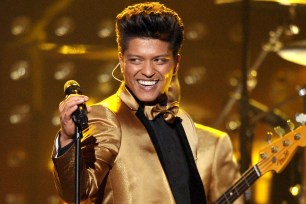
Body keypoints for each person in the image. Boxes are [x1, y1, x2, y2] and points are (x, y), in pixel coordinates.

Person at [52, 2, 243, 204]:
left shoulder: (182, 121)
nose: (148, 71)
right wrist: (67, 139)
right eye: (136, 60)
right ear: (121, 61)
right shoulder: (107, 116)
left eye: (159, 60)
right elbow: (79, 190)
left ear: (176, 64)